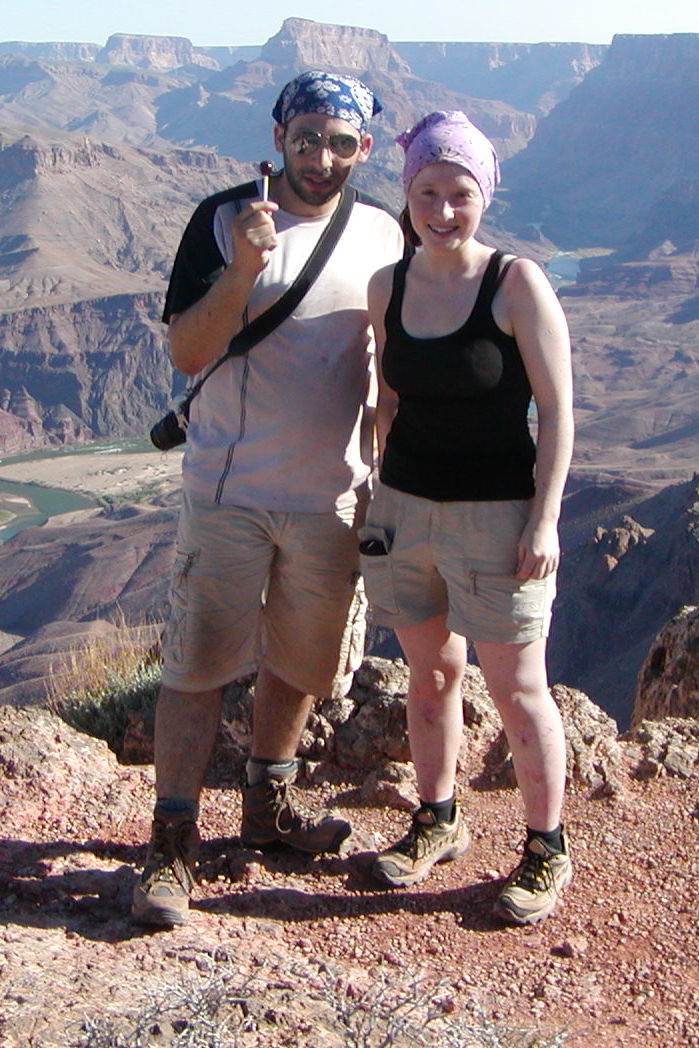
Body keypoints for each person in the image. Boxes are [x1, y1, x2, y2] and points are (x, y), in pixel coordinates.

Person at [131, 71, 405, 928]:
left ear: (364, 148)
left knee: (300, 661)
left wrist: (393, 481)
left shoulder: (384, 232)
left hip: (334, 495)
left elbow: (392, 365)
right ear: (279, 135)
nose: (321, 158)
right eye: (306, 138)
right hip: (230, 490)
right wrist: (245, 267)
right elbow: (187, 351)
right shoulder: (222, 219)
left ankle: (268, 805)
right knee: (196, 666)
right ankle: (171, 842)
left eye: (341, 143)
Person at [359, 111, 574, 925]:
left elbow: (558, 412)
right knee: (432, 675)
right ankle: (437, 819)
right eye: (427, 192)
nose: (442, 211)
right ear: (407, 193)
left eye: (460, 193)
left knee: (519, 690)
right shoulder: (388, 286)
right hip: (406, 510)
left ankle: (546, 848)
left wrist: (544, 520)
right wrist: (374, 485)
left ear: (484, 195)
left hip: (497, 517)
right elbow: (388, 399)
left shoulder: (516, 284)